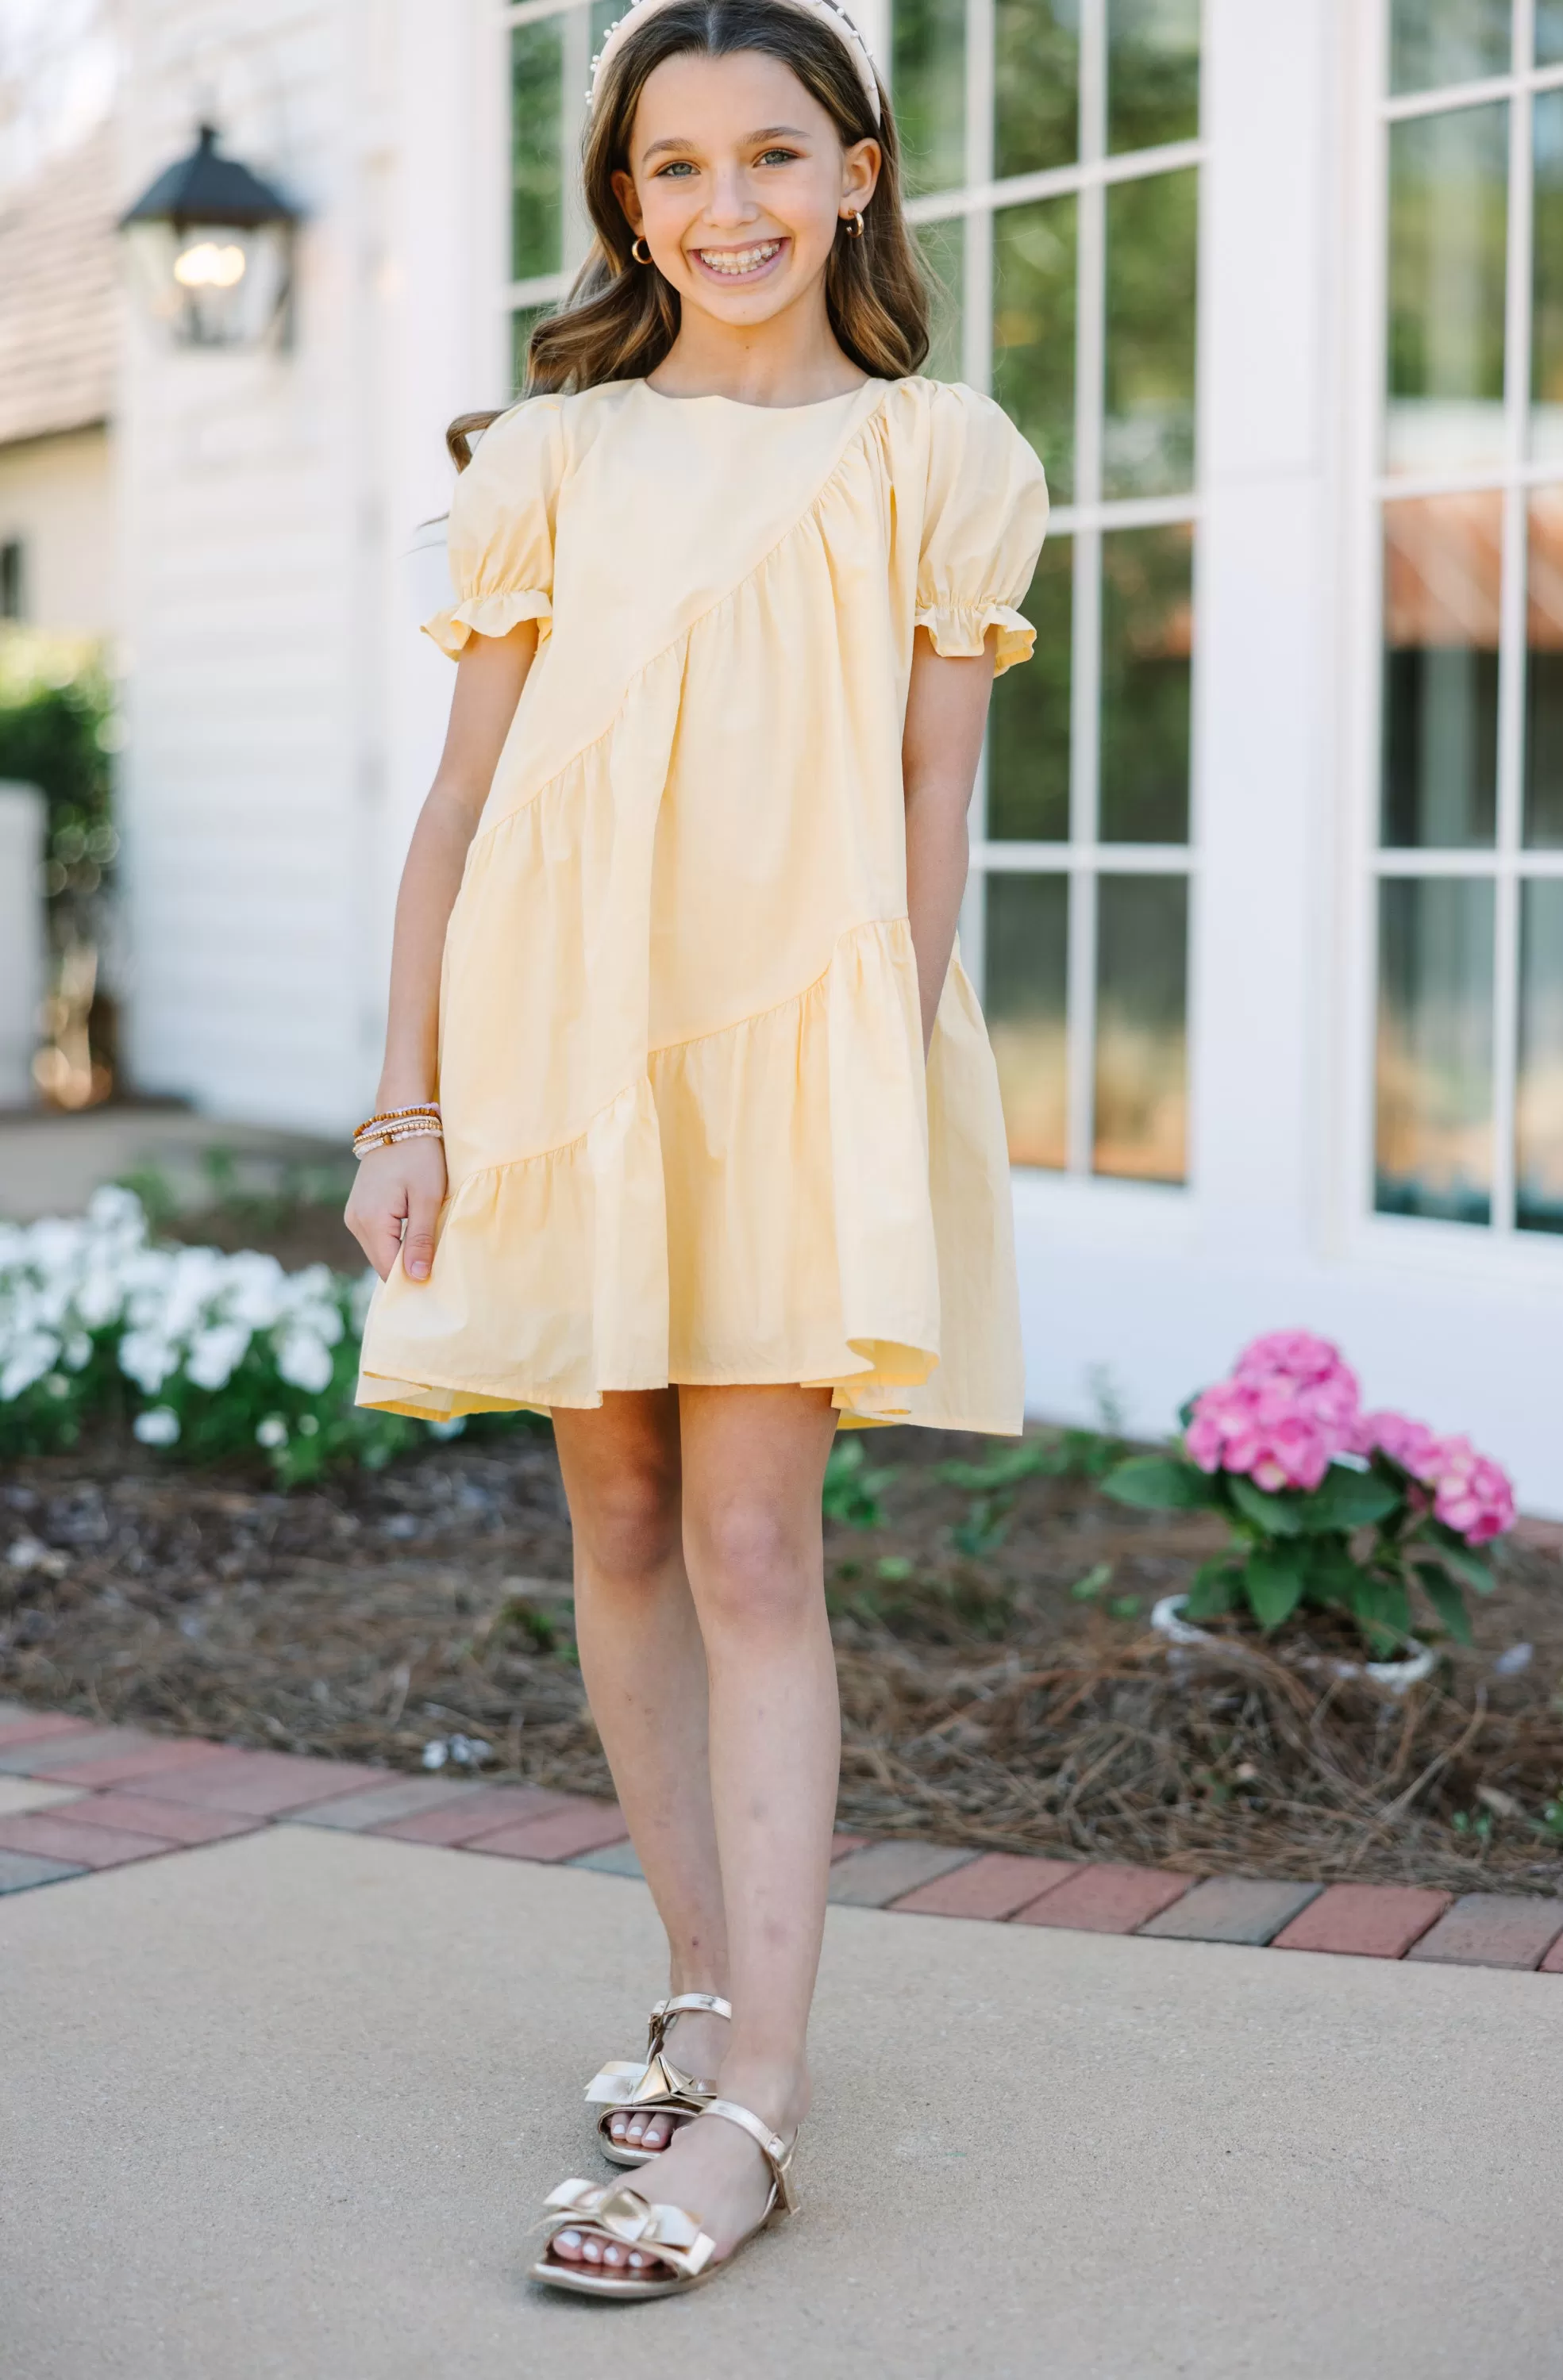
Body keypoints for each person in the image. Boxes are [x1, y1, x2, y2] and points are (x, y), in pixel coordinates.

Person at [344, 0, 1045, 2302]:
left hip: (788, 1044)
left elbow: (933, 796)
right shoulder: (551, 454)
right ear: (625, 204)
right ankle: (698, 1984)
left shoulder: (940, 450)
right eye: (674, 170)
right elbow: (460, 803)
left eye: (771, 155)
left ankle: (758, 2111)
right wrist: (408, 1102)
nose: (725, 207)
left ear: (858, 171)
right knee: (619, 1505)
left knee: (755, 1536)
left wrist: (875, 1061)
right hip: (560, 1044)